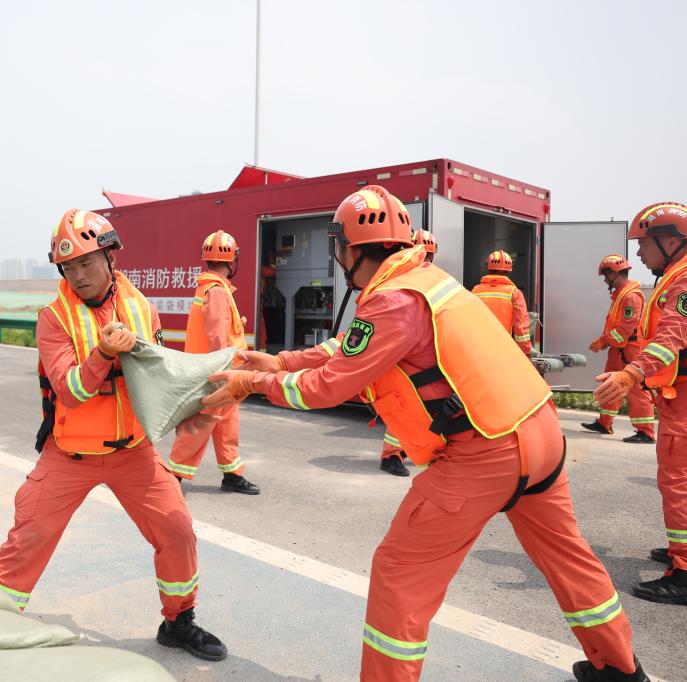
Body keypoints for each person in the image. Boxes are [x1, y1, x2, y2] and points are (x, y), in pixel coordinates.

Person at [204, 186, 649, 682]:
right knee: (570, 559)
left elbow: (326, 387)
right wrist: (283, 361)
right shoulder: (425, 281)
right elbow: (350, 347)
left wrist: (252, 383)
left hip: (484, 453)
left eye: (339, 246)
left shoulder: (391, 300)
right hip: (540, 432)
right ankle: (620, 668)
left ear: (352, 249)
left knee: (400, 575)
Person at [0, 209, 227, 661]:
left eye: (86, 262)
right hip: (70, 454)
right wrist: (101, 353)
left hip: (133, 452)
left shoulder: (142, 307)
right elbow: (70, 391)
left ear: (110, 256)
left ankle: (178, 621)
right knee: (29, 536)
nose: (78, 275)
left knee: (176, 529)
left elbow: (159, 379)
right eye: (69, 267)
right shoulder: (54, 318)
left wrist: (190, 410)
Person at [595, 201, 687, 606]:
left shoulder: (682, 281)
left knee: (678, 481)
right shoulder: (674, 277)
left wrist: (633, 373)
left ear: (670, 240)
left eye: (644, 243)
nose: (639, 253)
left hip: (683, 401)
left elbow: (671, 340)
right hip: (676, 394)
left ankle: (684, 571)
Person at [167, 230, 260, 494]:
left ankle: (232, 475)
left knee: (227, 424)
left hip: (218, 370)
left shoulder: (213, 288)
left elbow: (219, 327)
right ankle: (172, 478)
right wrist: (224, 370)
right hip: (216, 372)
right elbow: (216, 334)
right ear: (232, 261)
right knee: (201, 424)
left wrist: (237, 326)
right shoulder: (217, 291)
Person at [379, 230, 438, 477]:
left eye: (428, 256)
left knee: (425, 407)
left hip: (422, 353)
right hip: (402, 352)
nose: (425, 260)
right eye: (422, 255)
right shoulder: (398, 279)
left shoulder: (432, 280)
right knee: (401, 405)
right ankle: (391, 455)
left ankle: (410, 451)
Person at [582, 255, 655, 443]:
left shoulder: (630, 296)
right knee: (611, 384)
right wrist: (606, 342)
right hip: (618, 349)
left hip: (630, 350)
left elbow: (625, 329)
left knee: (636, 388)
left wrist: (603, 340)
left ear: (614, 274)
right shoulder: (622, 295)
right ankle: (604, 423)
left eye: (606, 275)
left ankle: (645, 432)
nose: (605, 280)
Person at [472, 250, 533, 356]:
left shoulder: (475, 291)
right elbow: (521, 329)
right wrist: (526, 352)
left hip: (479, 350)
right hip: (503, 351)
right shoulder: (514, 293)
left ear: (489, 268)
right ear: (509, 270)